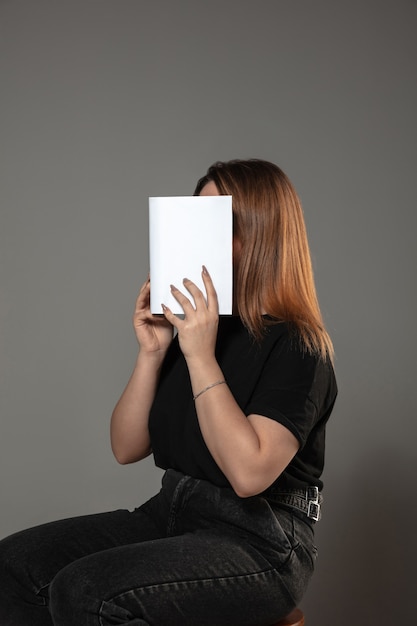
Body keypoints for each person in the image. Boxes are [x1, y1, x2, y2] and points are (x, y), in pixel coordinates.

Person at [0, 159, 337, 626]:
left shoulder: (298, 346)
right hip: (171, 516)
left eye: (216, 224)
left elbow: (249, 474)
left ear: (261, 235)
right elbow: (126, 446)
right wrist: (153, 351)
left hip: (261, 542)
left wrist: (200, 357)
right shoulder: (201, 329)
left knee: (86, 592)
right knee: (11, 567)